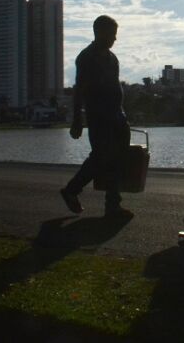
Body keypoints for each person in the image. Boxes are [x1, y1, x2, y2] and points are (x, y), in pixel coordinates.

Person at [60, 15, 132, 219]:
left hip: (118, 116)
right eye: (112, 34)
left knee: (119, 159)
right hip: (99, 117)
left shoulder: (112, 58)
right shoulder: (86, 57)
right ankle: (71, 190)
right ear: (99, 32)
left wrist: (122, 113)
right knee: (100, 158)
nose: (114, 39)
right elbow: (79, 90)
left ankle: (113, 205)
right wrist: (77, 120)